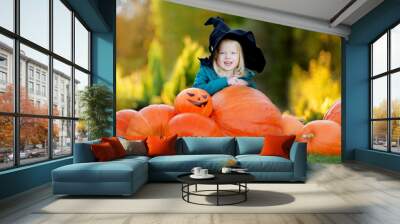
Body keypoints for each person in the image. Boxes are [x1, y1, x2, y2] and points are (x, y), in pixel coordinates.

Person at [193, 17, 266, 95]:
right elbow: (197, 91)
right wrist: (226, 81)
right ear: (215, 55)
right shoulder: (206, 71)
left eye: (233, 53)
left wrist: (246, 85)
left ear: (239, 57)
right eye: (222, 53)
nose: (228, 57)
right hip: (212, 106)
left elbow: (254, 100)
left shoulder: (243, 75)